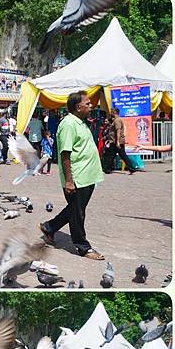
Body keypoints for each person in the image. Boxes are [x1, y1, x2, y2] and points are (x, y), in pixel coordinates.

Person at [39, 91, 105, 261]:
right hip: (77, 177)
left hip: (88, 175)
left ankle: (49, 227)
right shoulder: (68, 124)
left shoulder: (81, 122)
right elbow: (65, 154)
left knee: (75, 209)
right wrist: (69, 181)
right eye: (88, 104)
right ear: (78, 107)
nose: (92, 106)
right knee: (78, 212)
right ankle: (82, 246)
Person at [109, 108, 136, 174]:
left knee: (121, 155)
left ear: (115, 112)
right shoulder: (116, 120)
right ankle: (108, 168)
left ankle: (131, 168)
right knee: (112, 155)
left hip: (117, 141)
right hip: (115, 141)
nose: (111, 113)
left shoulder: (117, 120)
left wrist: (117, 142)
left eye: (112, 111)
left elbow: (118, 131)